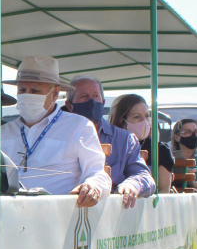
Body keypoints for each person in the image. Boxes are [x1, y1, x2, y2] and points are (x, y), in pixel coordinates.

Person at [0, 56, 111, 207]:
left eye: (35, 91)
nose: (26, 95)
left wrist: (93, 186)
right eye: (22, 90)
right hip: (9, 217)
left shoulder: (79, 126)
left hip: (57, 217)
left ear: (55, 94)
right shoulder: (3, 132)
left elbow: (97, 173)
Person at [64, 76, 155, 207]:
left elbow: (143, 175)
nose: (91, 101)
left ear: (103, 101)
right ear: (69, 105)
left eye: (96, 96)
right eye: (84, 96)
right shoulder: (57, 136)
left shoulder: (124, 139)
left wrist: (132, 184)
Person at [108, 94, 173, 194]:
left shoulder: (160, 150)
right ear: (122, 121)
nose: (144, 121)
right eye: (137, 117)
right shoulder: (110, 146)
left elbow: (163, 190)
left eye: (147, 116)